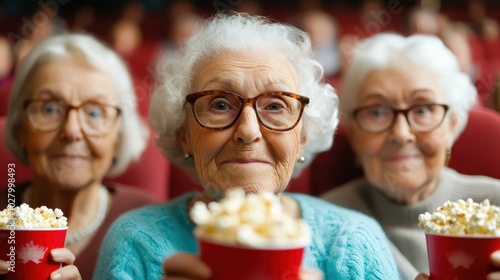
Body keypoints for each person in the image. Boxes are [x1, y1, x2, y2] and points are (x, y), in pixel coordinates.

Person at [93, 12, 399, 279]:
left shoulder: (354, 242)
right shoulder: (136, 242)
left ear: (303, 136)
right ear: (183, 133)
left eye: (276, 106)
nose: (248, 131)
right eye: (220, 105)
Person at [321, 33, 500, 279]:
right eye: (377, 112)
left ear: (451, 126)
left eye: (423, 109)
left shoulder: (495, 206)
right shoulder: (323, 221)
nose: (401, 134)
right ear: (353, 135)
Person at [1, 33, 159, 279]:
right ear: (21, 128)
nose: (72, 131)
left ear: (118, 137)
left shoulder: (152, 223)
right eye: (50, 108)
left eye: (94, 113)